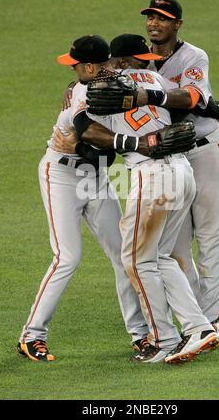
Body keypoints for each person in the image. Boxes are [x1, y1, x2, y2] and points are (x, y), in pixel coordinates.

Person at [54, 33, 219, 364]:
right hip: (182, 174)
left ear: (113, 61)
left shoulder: (98, 87)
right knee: (159, 257)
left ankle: (164, 340)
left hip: (152, 177)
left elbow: (86, 129)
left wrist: (80, 102)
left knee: (136, 260)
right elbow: (190, 110)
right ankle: (197, 328)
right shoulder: (157, 79)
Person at [16, 35, 151, 362]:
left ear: (92, 66)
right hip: (60, 175)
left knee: (124, 255)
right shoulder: (82, 90)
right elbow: (86, 130)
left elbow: (99, 157)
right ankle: (31, 335)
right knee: (67, 257)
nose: (73, 70)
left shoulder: (116, 80)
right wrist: (125, 144)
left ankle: (142, 335)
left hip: (94, 177)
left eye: (76, 65)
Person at [139, 0, 219, 338]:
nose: (154, 23)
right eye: (150, 17)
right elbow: (102, 72)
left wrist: (150, 96)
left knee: (211, 239)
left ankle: (210, 322)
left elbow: (191, 99)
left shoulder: (194, 56)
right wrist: (74, 86)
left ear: (177, 24)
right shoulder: (141, 62)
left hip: (206, 152)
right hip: (172, 160)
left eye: (162, 18)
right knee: (176, 247)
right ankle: (193, 320)